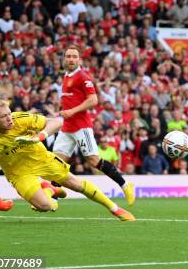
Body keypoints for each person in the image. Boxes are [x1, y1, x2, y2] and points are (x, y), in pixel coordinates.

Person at [0, 99, 135, 221]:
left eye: (9, 113)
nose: (10, 119)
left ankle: (115, 209)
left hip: (42, 159)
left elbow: (56, 122)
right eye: (4, 116)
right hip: (19, 173)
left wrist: (40, 136)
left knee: (77, 185)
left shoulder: (19, 119)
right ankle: (49, 189)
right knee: (44, 206)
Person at [53, 45, 135, 205]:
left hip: (81, 126)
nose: (70, 59)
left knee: (93, 161)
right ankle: (52, 198)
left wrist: (71, 111)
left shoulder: (83, 76)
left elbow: (93, 100)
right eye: (68, 56)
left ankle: (125, 185)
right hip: (67, 126)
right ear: (64, 59)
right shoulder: (66, 76)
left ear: (79, 59)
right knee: (56, 162)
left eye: (74, 56)